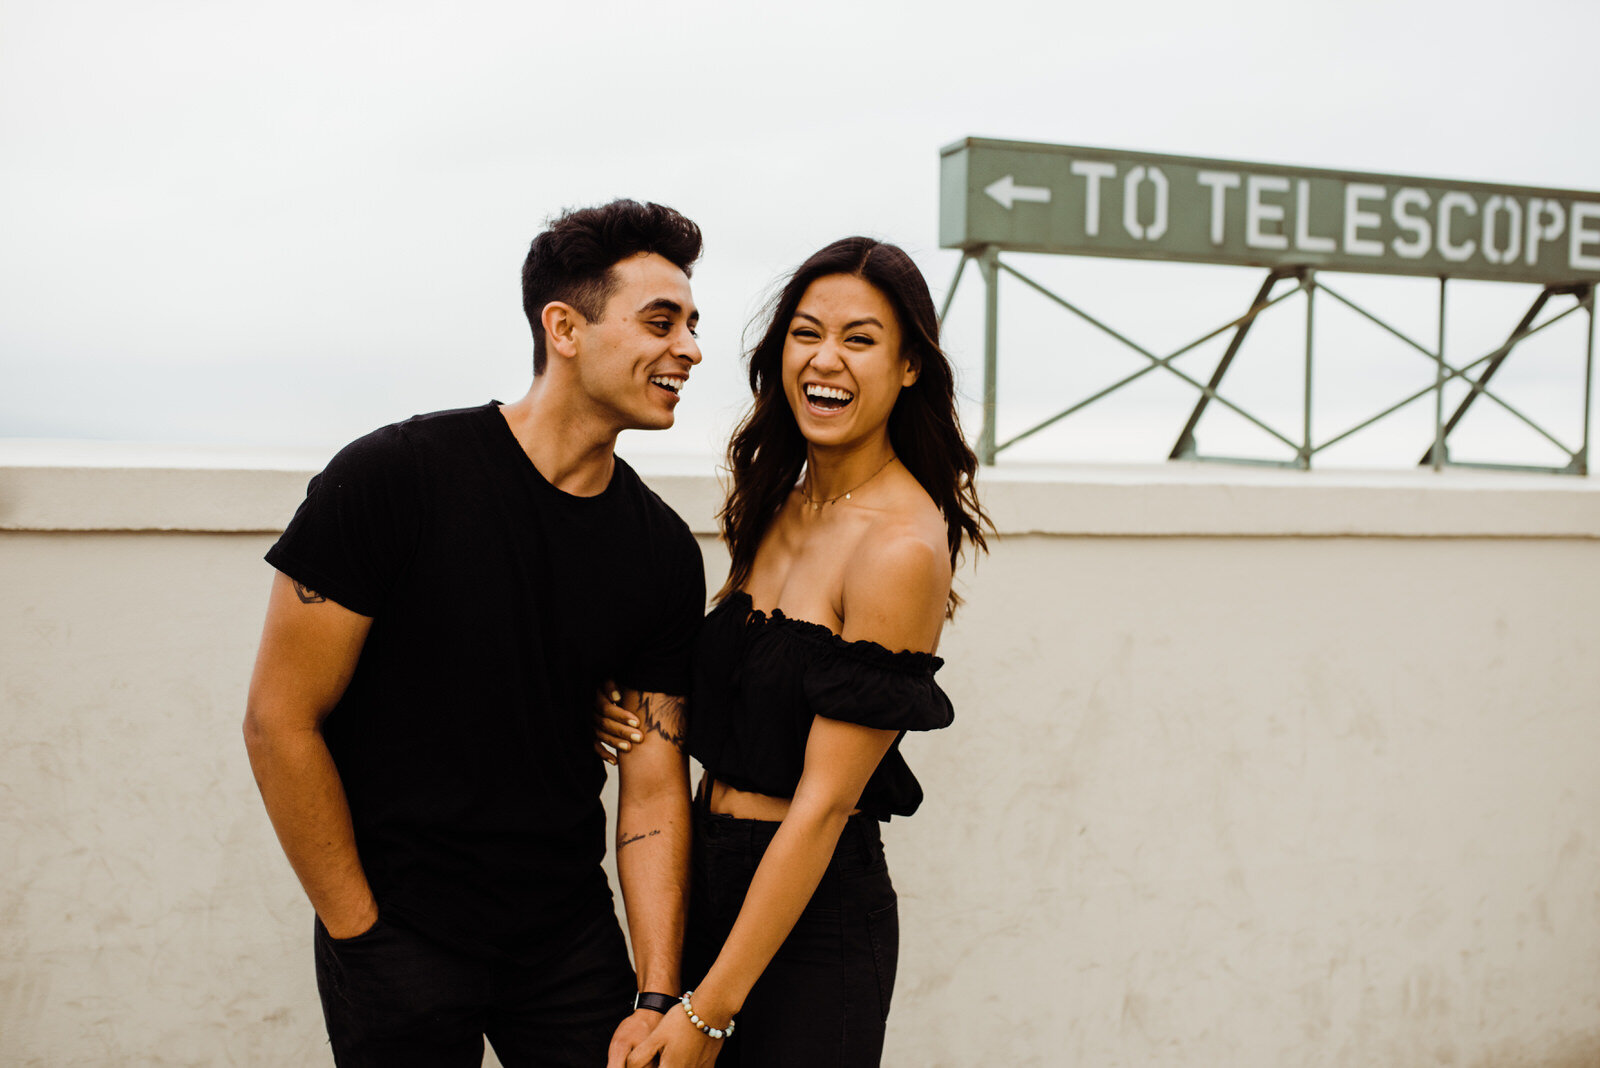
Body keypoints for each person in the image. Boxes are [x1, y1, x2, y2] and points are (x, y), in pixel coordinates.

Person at [243, 199, 709, 1067]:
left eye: (690, 323)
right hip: (398, 930)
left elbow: (651, 786)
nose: (688, 347)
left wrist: (654, 991)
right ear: (564, 328)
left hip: (566, 941)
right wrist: (361, 934)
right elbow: (280, 722)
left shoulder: (662, 552)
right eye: (660, 321)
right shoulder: (392, 478)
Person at [597, 236, 989, 1066]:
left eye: (861, 339)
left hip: (812, 921)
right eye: (807, 333)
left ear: (911, 365)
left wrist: (710, 1012)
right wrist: (624, 702)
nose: (826, 360)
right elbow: (745, 688)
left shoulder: (901, 549)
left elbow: (819, 809)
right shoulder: (780, 493)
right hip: (707, 877)